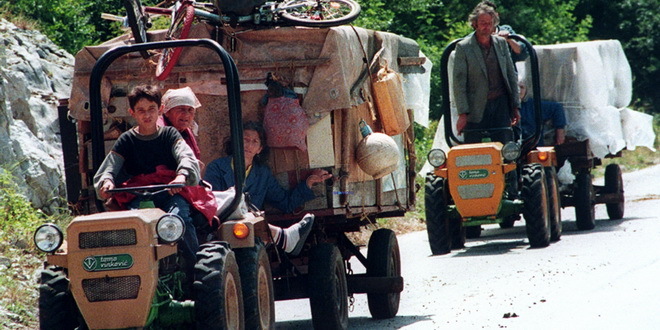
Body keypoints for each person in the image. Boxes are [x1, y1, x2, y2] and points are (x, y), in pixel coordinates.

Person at [94, 84, 214, 282]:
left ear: (159, 110)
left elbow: (185, 157)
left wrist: (181, 176)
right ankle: (129, 277)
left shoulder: (170, 135)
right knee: (131, 230)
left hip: (170, 194)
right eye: (141, 110)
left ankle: (196, 274)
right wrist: (106, 181)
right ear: (132, 113)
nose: (146, 115)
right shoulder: (127, 140)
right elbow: (110, 166)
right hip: (139, 197)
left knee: (179, 220)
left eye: (151, 109)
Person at [204, 121, 332, 255]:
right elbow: (212, 203)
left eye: (255, 142)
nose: (249, 145)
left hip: (250, 236)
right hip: (223, 228)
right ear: (236, 142)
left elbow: (285, 203)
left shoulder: (262, 174)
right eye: (245, 140)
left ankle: (283, 237)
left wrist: (309, 183)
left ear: (260, 149)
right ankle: (283, 237)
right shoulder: (217, 167)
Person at [453, 2, 521, 144]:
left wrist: (515, 106)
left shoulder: (501, 44)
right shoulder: (463, 47)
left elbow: (511, 75)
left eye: (490, 23)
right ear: (475, 24)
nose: (486, 26)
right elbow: (459, 83)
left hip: (501, 104)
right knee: (474, 149)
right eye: (483, 23)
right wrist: (462, 114)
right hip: (476, 107)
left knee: (506, 146)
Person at [159, 86, 203, 161]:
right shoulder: (159, 132)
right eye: (181, 109)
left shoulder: (186, 132)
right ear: (167, 112)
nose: (186, 114)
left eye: (190, 109)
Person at [518, 79, 567, 146]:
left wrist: (560, 132)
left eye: (521, 87)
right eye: (516, 87)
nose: (519, 91)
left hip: (533, 148)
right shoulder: (503, 107)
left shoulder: (533, 105)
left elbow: (557, 108)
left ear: (526, 90)